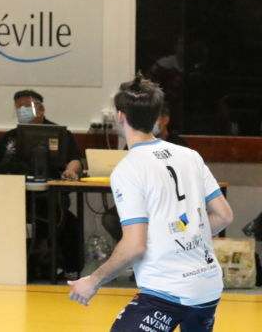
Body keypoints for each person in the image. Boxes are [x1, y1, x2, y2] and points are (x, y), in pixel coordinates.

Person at [68, 76, 234, 332]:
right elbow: (224, 216)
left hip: (168, 289)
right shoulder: (190, 156)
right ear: (157, 116)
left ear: (120, 116)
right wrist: (184, 237)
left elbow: (134, 246)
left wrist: (94, 280)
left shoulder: (129, 168)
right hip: (208, 285)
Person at [0, 89, 84, 280]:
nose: (22, 110)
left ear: (41, 109)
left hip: (49, 196)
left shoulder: (61, 134)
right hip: (10, 195)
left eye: (26, 107)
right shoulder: (8, 138)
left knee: (64, 219)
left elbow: (75, 160)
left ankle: (55, 265)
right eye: (18, 107)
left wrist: (71, 171)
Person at [101, 102, 189, 242]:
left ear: (165, 119)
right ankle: (132, 253)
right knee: (111, 218)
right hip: (140, 200)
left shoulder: (178, 146)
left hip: (168, 202)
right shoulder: (134, 145)